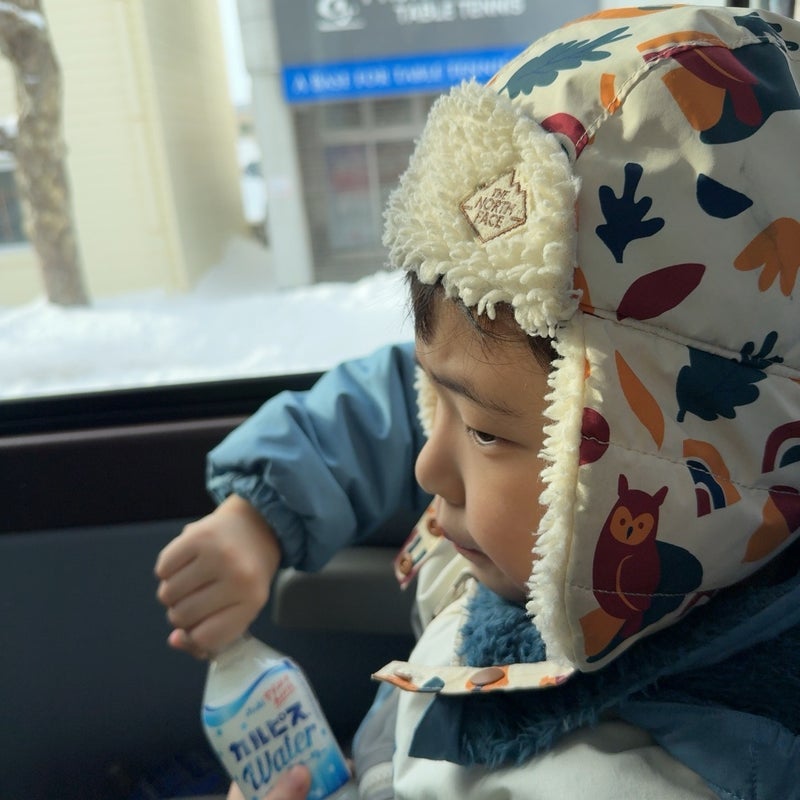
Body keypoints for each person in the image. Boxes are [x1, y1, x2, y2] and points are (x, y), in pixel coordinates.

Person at [155, 5, 800, 798]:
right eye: (440, 400)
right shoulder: (551, 509)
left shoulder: (649, 777)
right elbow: (411, 387)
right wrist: (261, 513)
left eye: (486, 434)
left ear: (681, 473)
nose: (429, 465)